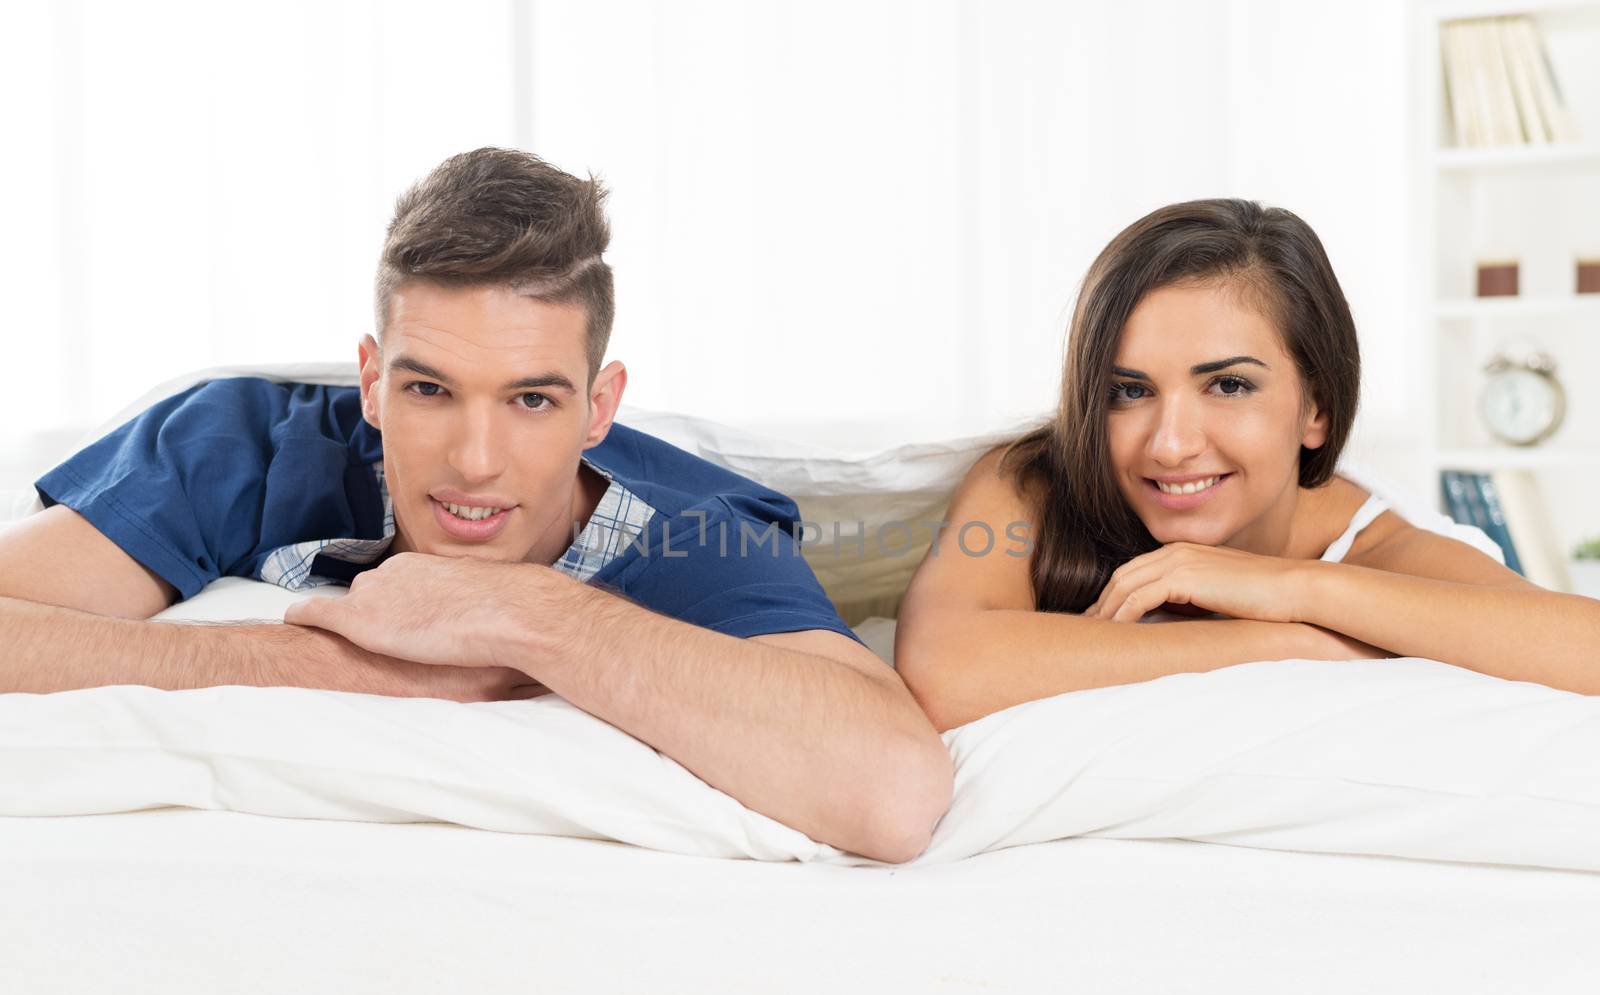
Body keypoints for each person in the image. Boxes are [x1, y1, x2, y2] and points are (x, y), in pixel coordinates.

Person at [0, 147, 951, 863]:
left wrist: (522, 615)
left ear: (600, 407)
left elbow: (893, 792)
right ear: (370, 382)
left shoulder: (693, 529)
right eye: (429, 391)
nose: (476, 460)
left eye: (532, 399)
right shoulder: (243, 445)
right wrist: (314, 665)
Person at [895, 198, 1600, 730]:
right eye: (1127, 392)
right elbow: (945, 669)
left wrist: (1295, 589)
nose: (1170, 444)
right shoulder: (1032, 482)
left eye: (1228, 386)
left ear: (1315, 408)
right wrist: (1288, 645)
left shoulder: (1373, 544)